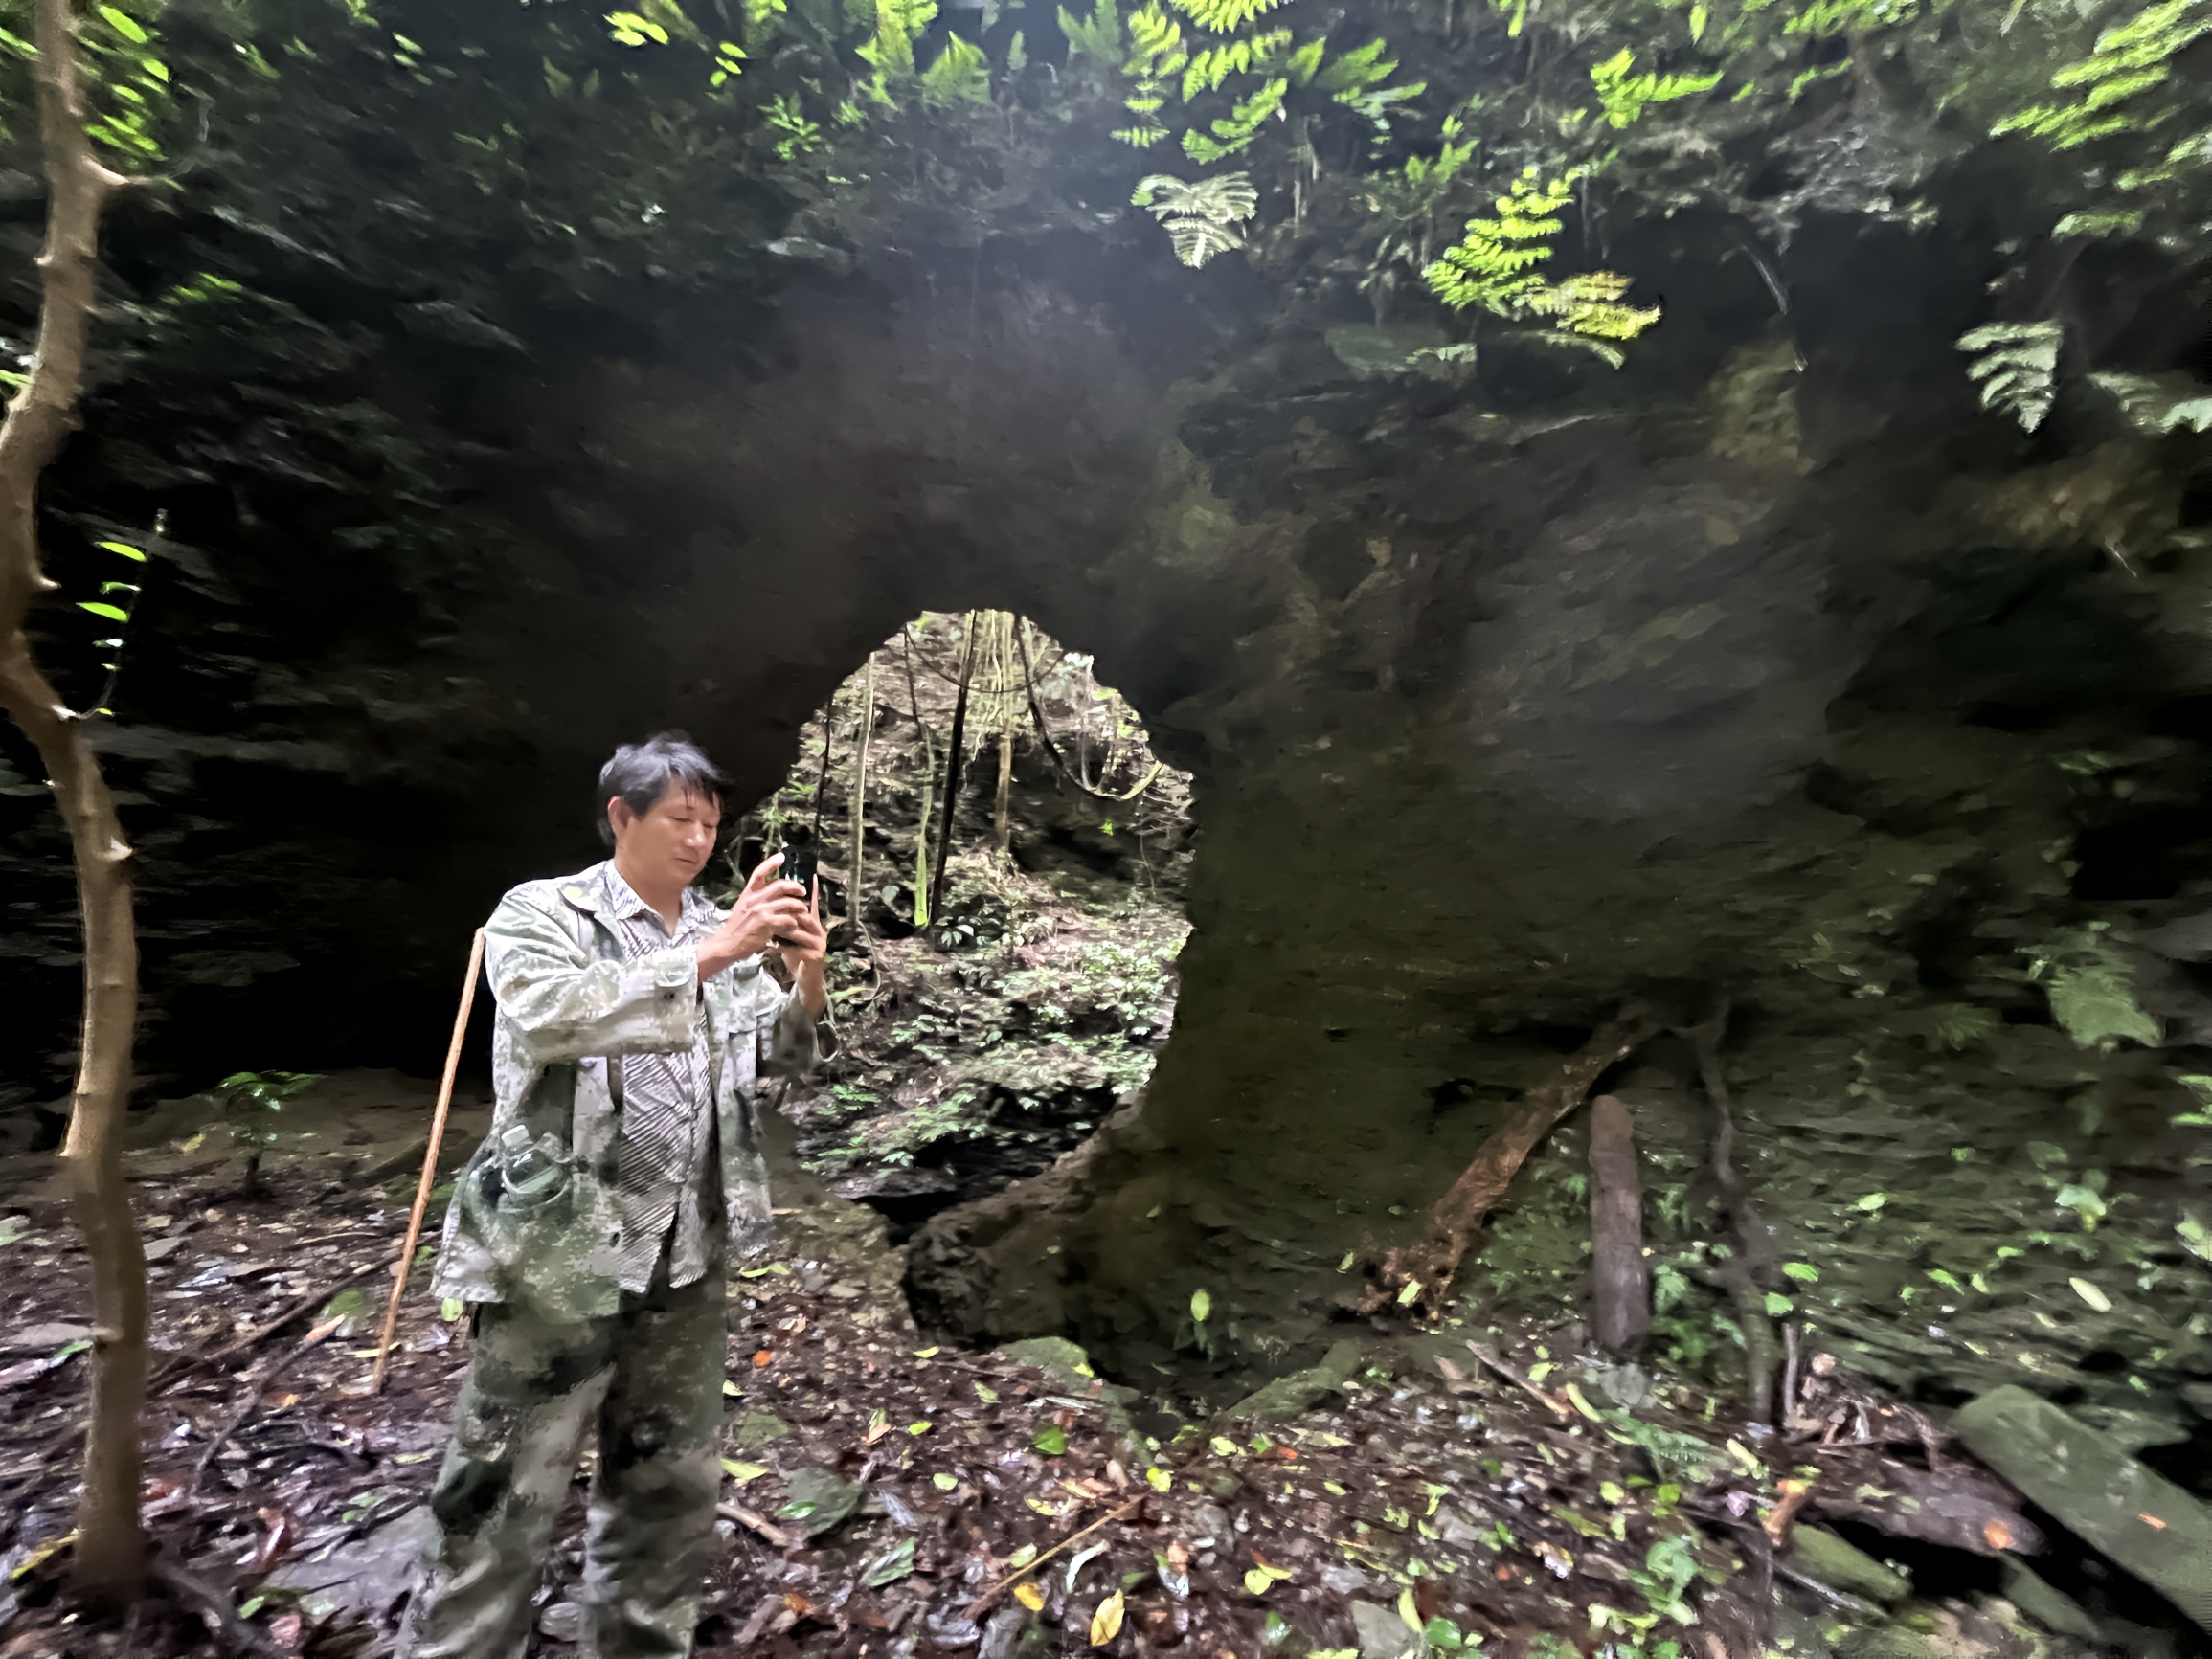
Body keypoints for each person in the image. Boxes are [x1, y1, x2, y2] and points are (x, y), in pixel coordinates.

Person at [399, 732, 832, 1659]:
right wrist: (714, 953)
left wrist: (806, 973)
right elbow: (549, 1012)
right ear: (622, 816)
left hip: (687, 1255)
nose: (699, 840)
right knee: (503, 1491)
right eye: (679, 818)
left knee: (667, 1489)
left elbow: (780, 1063)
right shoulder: (543, 911)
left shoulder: (719, 930)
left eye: (712, 824)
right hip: (557, 1258)